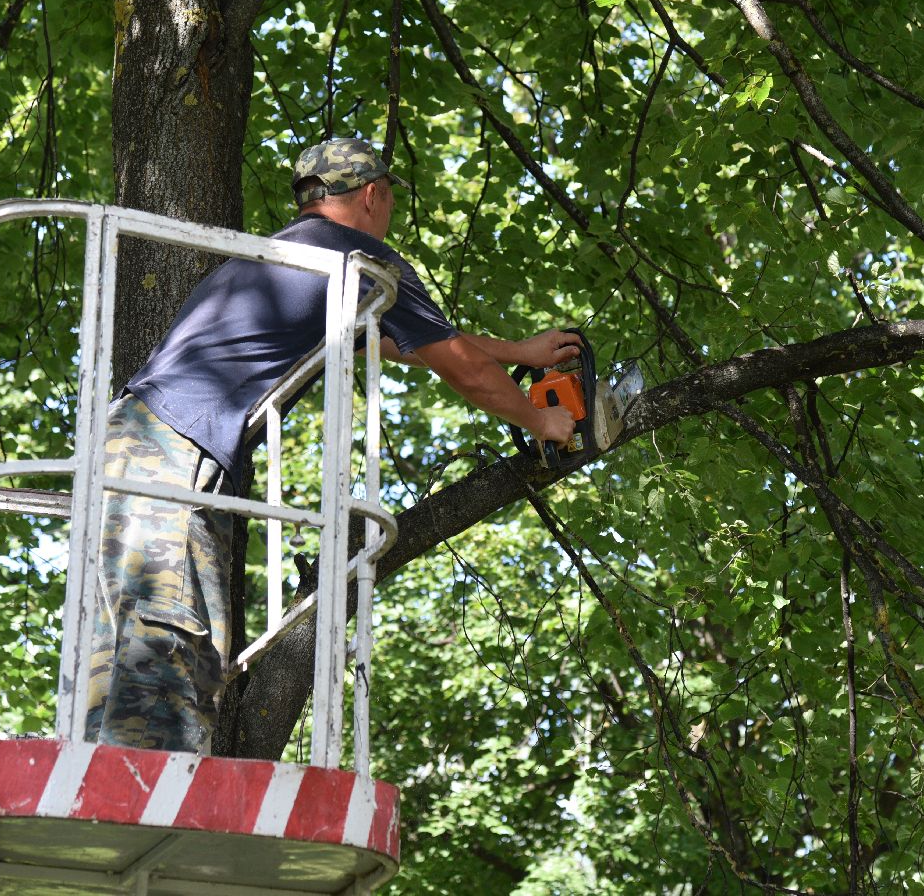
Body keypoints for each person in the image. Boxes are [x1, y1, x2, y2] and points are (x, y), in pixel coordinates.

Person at [85, 136, 578, 753]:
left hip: (127, 439)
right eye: (390, 197)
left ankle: (101, 786)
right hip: (175, 449)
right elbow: (461, 368)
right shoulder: (357, 256)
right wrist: (542, 422)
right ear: (373, 194)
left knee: (124, 641)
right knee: (169, 632)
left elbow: (395, 340)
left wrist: (519, 353)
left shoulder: (290, 257)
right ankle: (150, 801)